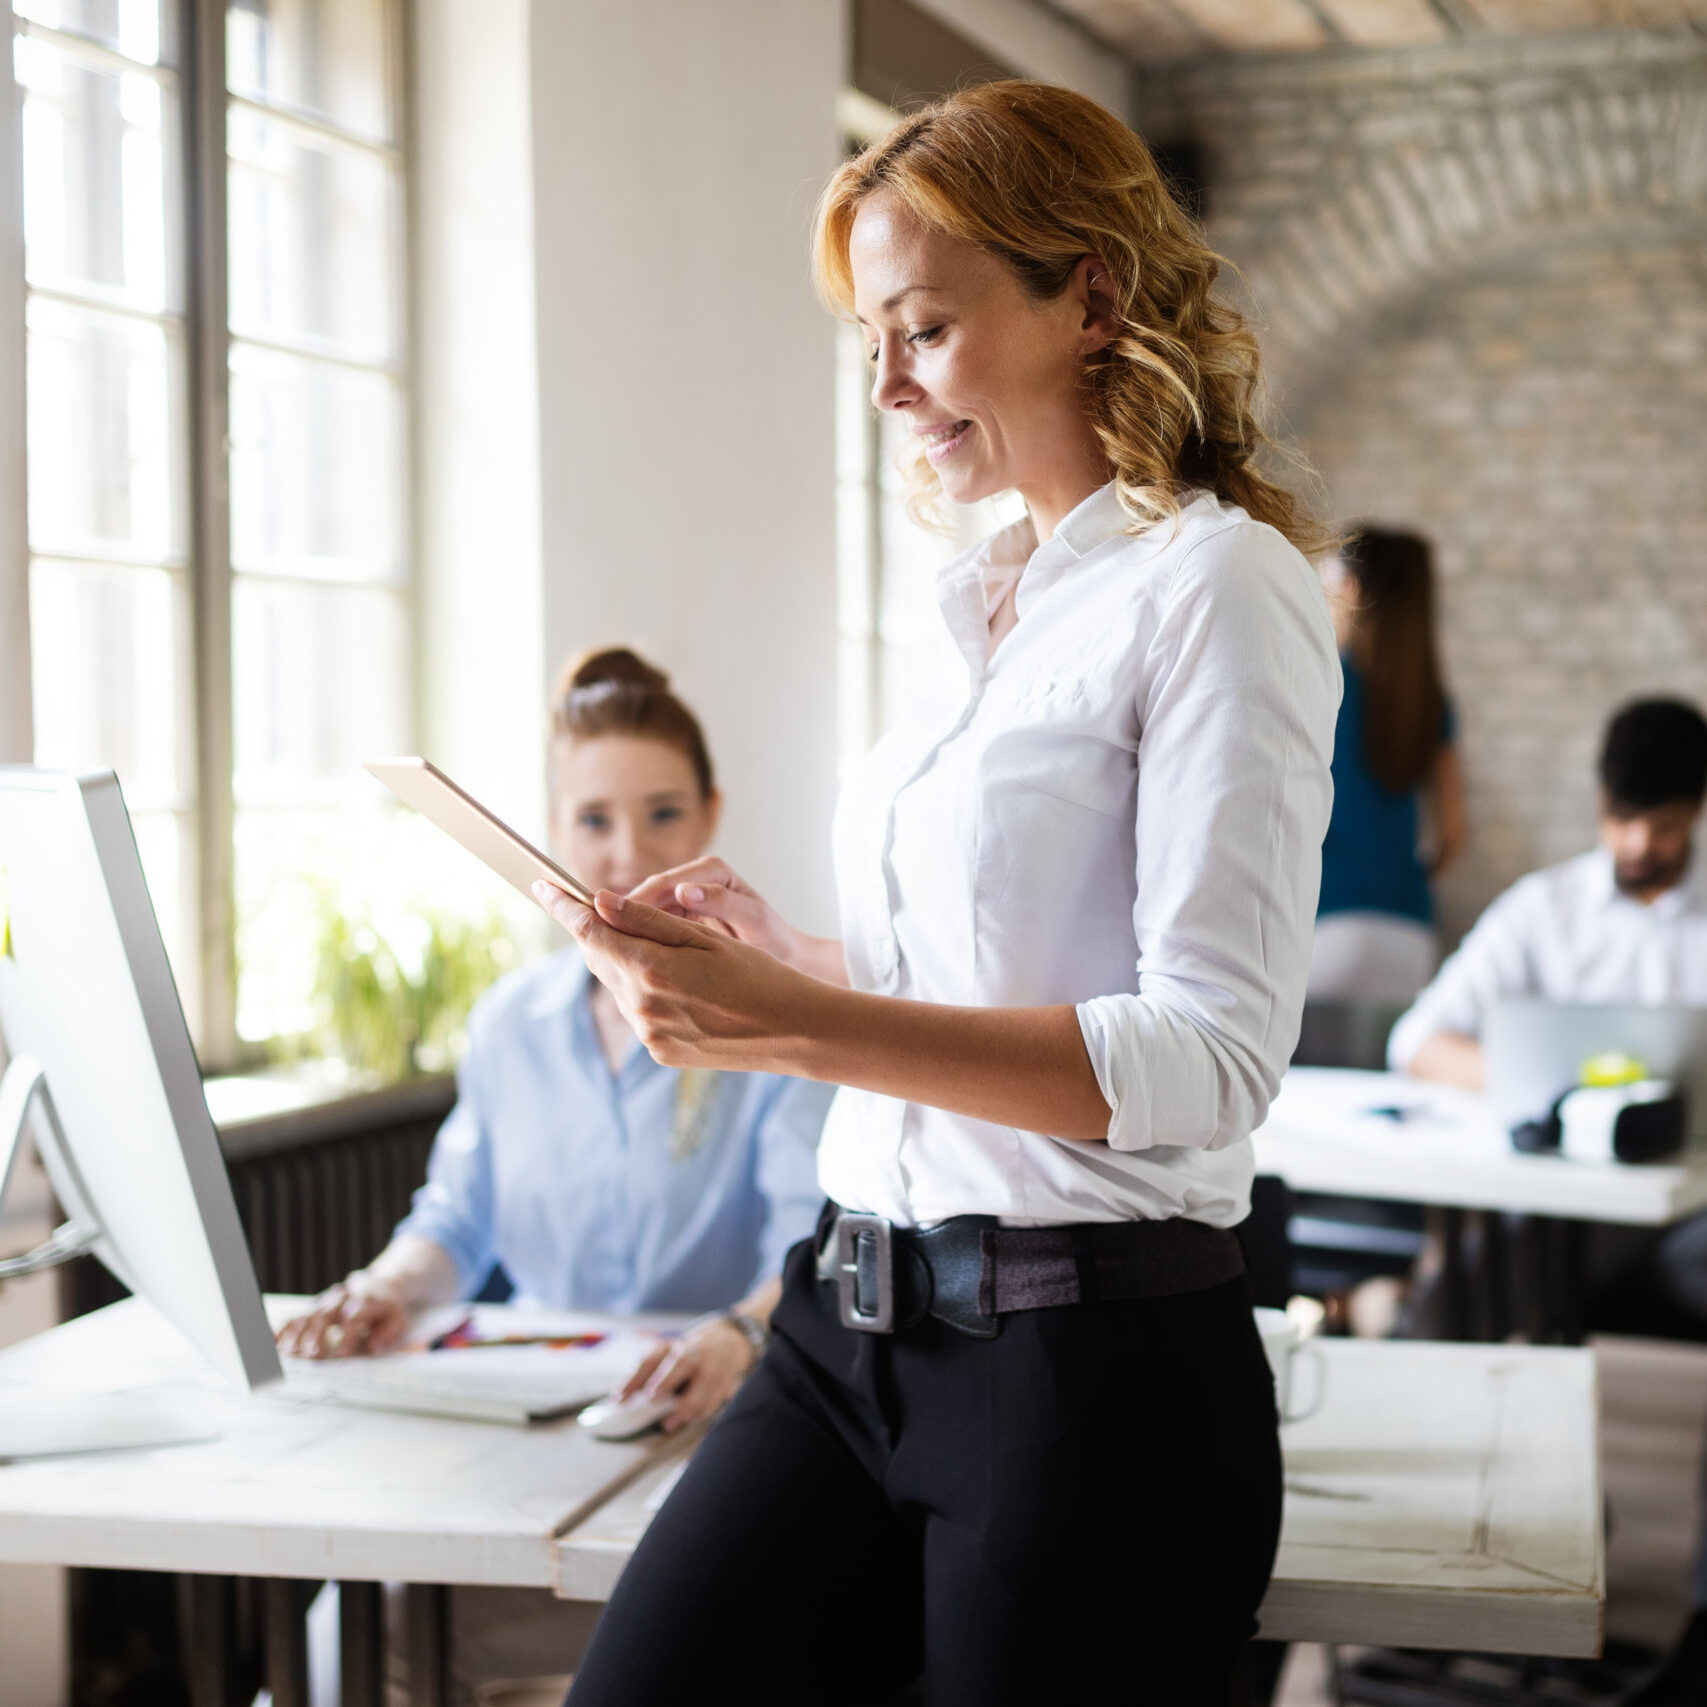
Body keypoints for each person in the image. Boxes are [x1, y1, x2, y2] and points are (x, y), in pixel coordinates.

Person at [531, 80, 1340, 1706]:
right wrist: (789, 958)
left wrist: (802, 1025)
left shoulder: (1218, 585)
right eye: (872, 343)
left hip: (1082, 1379)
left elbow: (1205, 1062)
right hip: (842, 1331)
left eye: (924, 329)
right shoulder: (985, 605)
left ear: (1089, 297)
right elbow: (982, 977)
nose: (889, 386)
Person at [278, 647, 831, 1702]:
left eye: (663, 814)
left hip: (700, 1428)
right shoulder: (509, 1028)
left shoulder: (774, 1018)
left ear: (710, 815)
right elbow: (456, 1220)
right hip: (529, 1426)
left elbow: (806, 1249)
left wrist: (739, 1332)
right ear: (552, 831)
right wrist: (387, 1288)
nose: (629, 853)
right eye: (593, 822)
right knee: (338, 1644)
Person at [1390, 696, 1707, 1088]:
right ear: (1600, 801)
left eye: (1664, 825)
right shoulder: (1540, 909)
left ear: (1696, 810)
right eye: (1623, 818)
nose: (1640, 843)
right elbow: (1416, 1042)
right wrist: (1544, 1082)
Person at [1310, 526, 1466, 1005]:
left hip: (1324, 925)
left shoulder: (1318, 682)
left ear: (1352, 588)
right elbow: (1453, 834)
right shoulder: (1429, 699)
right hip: (1407, 933)